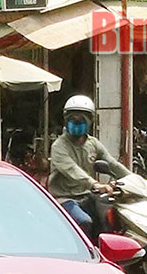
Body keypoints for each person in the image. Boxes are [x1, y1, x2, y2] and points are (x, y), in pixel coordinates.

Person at [47, 94, 129, 236]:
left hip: (87, 196)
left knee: (112, 219)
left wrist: (134, 180)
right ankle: (82, 255)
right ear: (65, 120)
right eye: (72, 118)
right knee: (84, 221)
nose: (77, 121)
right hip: (65, 198)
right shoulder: (59, 146)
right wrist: (95, 184)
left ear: (91, 120)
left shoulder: (93, 143)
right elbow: (72, 170)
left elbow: (112, 164)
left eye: (82, 118)